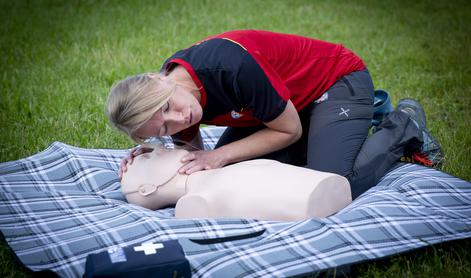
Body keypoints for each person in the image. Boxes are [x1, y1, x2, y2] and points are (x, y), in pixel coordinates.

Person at [107, 29, 438, 199]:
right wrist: (152, 159)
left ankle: (403, 123)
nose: (180, 121)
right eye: (163, 127)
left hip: (335, 81)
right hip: (285, 108)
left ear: (156, 80)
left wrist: (221, 154)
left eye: (167, 108)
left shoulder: (227, 65)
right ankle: (331, 130)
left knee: (333, 183)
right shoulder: (172, 101)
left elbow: (287, 131)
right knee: (232, 177)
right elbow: (194, 158)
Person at [120, 147, 352, 221]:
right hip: (313, 199)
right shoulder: (194, 202)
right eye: (149, 157)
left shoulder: (217, 172)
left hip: (322, 186)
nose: (158, 149)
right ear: (147, 188)